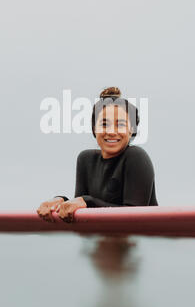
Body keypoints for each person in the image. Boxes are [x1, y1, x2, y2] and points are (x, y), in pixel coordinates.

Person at [37, 86, 158, 223]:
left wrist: (87, 201)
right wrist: (59, 202)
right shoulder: (85, 160)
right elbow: (81, 210)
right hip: (101, 242)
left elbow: (135, 216)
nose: (112, 131)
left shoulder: (136, 157)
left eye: (121, 124)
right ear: (94, 128)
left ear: (132, 130)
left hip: (141, 243)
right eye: (104, 124)